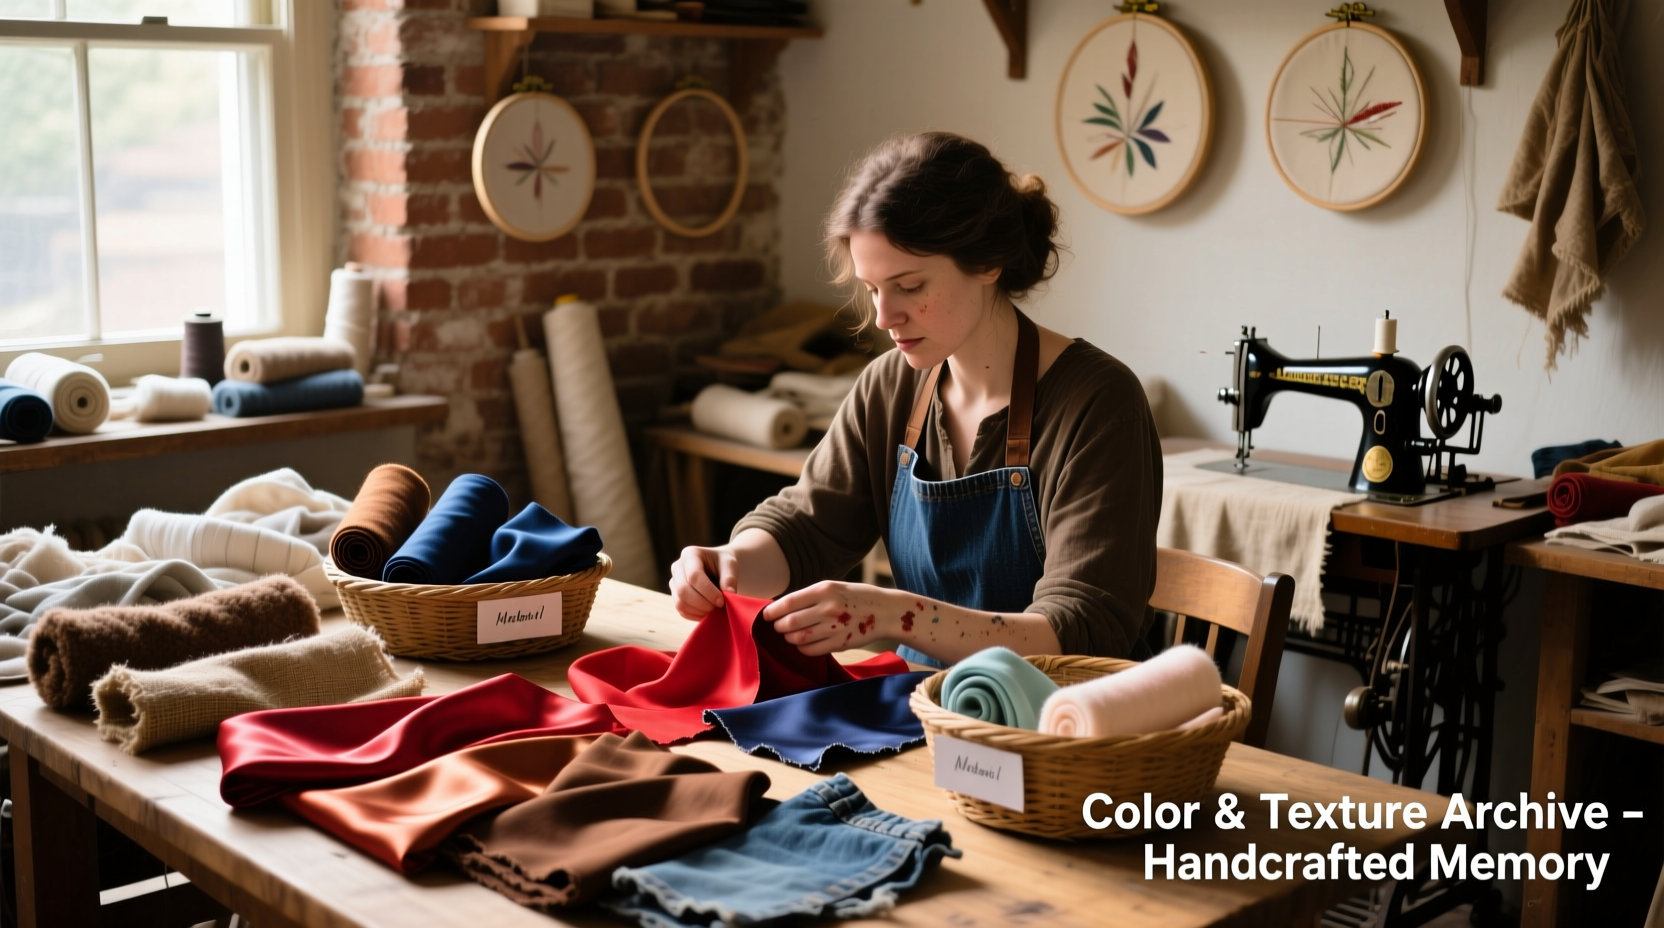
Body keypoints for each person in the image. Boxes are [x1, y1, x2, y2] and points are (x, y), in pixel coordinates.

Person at [669, 131, 1161, 666]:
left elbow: (1080, 632)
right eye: (873, 288)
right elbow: (806, 530)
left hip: (1062, 720)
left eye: (909, 286)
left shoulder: (1100, 405)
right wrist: (728, 564)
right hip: (923, 704)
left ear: (988, 263)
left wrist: (890, 614)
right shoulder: (889, 387)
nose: (883, 317)